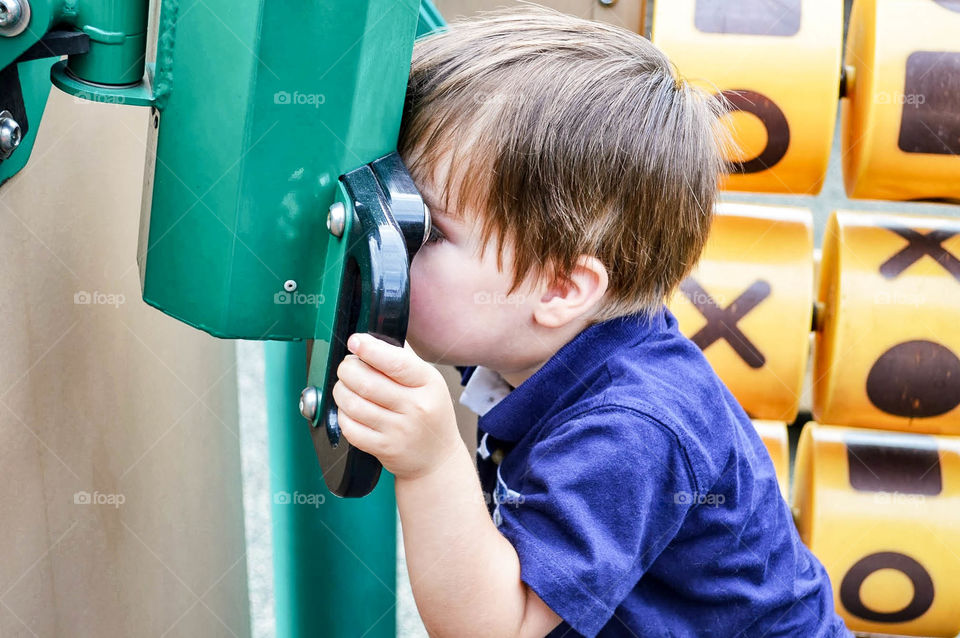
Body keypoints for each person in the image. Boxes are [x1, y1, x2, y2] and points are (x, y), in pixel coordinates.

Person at [331, 5, 852, 636]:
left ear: (559, 289)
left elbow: (498, 626)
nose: (387, 237)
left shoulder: (631, 428)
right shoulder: (537, 329)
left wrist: (432, 463)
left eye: (428, 229)